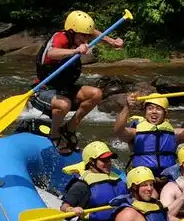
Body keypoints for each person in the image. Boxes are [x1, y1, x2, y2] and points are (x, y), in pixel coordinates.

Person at [30, 10, 124, 155]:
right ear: (72, 32)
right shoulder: (60, 38)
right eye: (83, 36)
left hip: (65, 88)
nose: (86, 40)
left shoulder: (78, 35)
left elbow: (93, 33)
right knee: (64, 104)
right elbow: (51, 53)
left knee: (96, 94)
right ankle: (55, 135)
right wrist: (74, 51)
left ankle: (69, 128)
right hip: (44, 89)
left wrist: (112, 41)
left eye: (87, 36)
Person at [113, 87, 184, 176]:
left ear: (165, 113)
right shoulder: (135, 133)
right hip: (143, 178)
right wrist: (127, 107)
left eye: (158, 109)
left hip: (167, 176)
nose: (154, 112)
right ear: (145, 112)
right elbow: (118, 130)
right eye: (150, 108)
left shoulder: (174, 134)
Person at [59, 141, 127, 221]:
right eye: (104, 160)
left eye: (109, 159)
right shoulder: (82, 185)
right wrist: (72, 209)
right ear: (91, 162)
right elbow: (64, 208)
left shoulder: (117, 180)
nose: (109, 163)